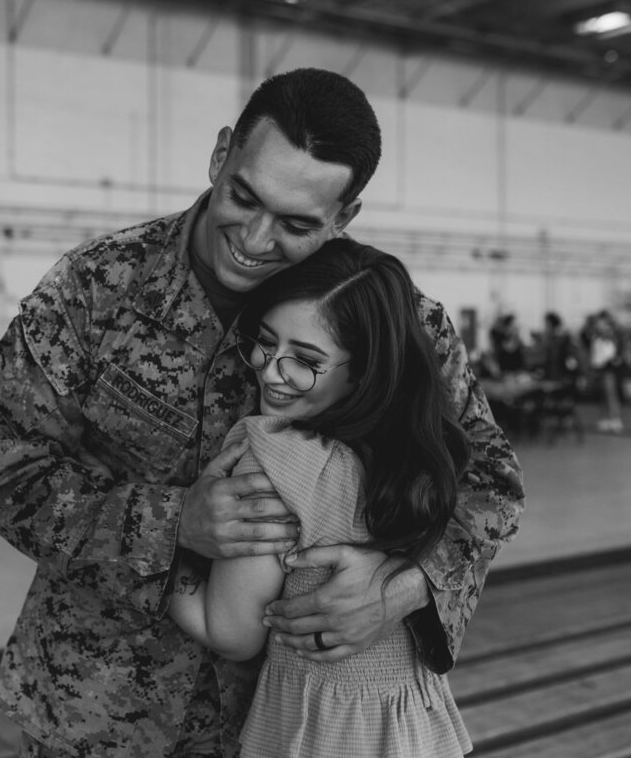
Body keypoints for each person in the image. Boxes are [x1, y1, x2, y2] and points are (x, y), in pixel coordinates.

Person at [0, 67, 524, 757]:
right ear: (221, 153)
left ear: (345, 217)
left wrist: (404, 587)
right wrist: (175, 521)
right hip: (102, 712)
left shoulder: (393, 324)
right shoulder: (96, 290)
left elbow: (492, 485)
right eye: (244, 197)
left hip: (303, 726)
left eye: (296, 224)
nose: (257, 240)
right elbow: (2, 466)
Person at [170, 239, 472, 757]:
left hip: (318, 734)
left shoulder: (273, 461)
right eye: (265, 342)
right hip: (412, 727)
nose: (269, 371)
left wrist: (171, 547)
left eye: (305, 361)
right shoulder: (412, 456)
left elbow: (231, 632)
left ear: (364, 371)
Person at [588, 310, 626, 433]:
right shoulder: (596, 339)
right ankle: (604, 419)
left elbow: (616, 355)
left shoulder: (613, 339)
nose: (600, 326)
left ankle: (615, 419)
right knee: (602, 396)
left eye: (603, 324)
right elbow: (595, 356)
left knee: (611, 395)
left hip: (609, 370)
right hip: (599, 370)